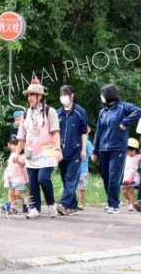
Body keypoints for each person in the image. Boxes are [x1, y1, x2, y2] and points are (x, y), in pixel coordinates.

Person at [92, 84, 141, 214]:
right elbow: (98, 132)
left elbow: (138, 111)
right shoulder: (102, 112)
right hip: (104, 148)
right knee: (106, 177)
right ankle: (112, 201)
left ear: (109, 94)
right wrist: (94, 150)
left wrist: (125, 122)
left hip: (118, 148)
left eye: (102, 94)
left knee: (114, 177)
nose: (101, 97)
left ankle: (114, 205)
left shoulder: (123, 106)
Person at [15, 79, 62, 219]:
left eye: (33, 95)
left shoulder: (50, 111)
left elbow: (55, 132)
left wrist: (58, 149)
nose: (30, 97)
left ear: (40, 96)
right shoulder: (25, 114)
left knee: (43, 179)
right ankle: (35, 208)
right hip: (31, 152)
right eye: (28, 95)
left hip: (47, 151)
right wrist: (17, 154)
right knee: (33, 182)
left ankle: (51, 204)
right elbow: (21, 136)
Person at [56, 85, 89, 216]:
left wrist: (84, 150)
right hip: (61, 153)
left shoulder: (80, 112)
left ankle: (63, 204)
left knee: (71, 179)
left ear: (72, 95)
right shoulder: (57, 113)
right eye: (61, 94)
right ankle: (73, 206)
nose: (63, 97)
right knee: (65, 180)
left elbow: (83, 132)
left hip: (76, 151)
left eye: (65, 94)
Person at [3, 138, 28, 214]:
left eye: (15, 144)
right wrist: (5, 175)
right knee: (11, 193)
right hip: (11, 176)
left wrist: (17, 160)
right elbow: (9, 166)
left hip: (19, 177)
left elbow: (23, 164)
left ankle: (25, 202)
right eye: (12, 144)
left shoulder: (23, 155)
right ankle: (12, 208)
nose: (12, 146)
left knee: (17, 193)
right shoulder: (12, 154)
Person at [122, 138, 141, 211]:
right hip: (125, 176)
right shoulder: (125, 156)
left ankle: (131, 204)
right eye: (129, 151)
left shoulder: (138, 156)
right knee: (124, 191)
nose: (130, 152)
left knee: (131, 191)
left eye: (132, 151)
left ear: (136, 150)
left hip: (133, 176)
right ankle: (133, 202)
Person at [77, 126, 94, 210]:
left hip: (83, 170)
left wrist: (93, 156)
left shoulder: (87, 143)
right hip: (74, 168)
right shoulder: (75, 141)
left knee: (81, 187)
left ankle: (80, 203)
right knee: (74, 186)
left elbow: (92, 155)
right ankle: (73, 202)